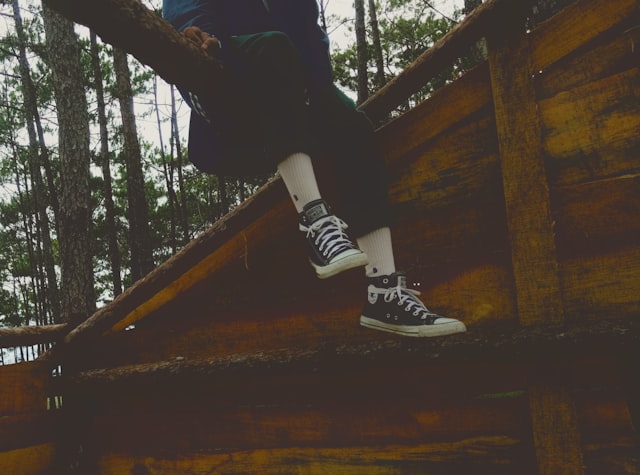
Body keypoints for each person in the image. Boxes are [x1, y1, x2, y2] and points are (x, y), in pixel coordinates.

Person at [162, 0, 466, 337]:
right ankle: (315, 222)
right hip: (224, 98)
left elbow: (312, 46)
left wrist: (311, 92)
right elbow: (186, 16)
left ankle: (385, 292)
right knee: (273, 46)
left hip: (286, 97)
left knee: (351, 123)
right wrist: (201, 38)